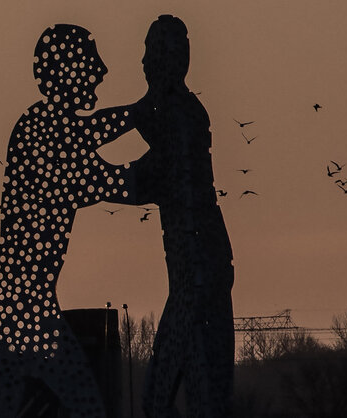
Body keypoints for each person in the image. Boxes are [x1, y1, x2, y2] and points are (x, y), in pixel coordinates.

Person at [0, 24, 135, 418]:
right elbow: (109, 179)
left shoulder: (42, 126)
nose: (101, 71)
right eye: (91, 62)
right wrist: (161, 155)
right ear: (69, 70)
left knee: (3, 399)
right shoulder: (43, 131)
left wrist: (141, 113)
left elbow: (92, 131)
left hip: (16, 294)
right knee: (86, 402)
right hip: (25, 298)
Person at [130, 15, 235, 418]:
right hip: (199, 271)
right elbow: (137, 118)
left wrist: (72, 173)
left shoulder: (177, 118)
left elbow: (142, 177)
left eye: (147, 52)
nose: (141, 62)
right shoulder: (183, 113)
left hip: (196, 276)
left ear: (163, 60)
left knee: (168, 396)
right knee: (195, 395)